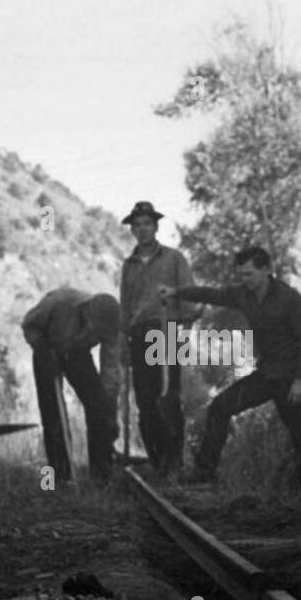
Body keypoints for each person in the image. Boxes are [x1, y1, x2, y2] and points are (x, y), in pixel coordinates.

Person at [160, 246, 301, 505]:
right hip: (265, 375)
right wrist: (177, 292)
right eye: (241, 275)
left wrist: (300, 379)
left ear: (266, 270)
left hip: (290, 378)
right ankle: (204, 473)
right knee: (220, 408)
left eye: (248, 274)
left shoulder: (289, 298)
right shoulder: (242, 294)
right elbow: (211, 294)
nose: (244, 280)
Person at [118, 201, 196, 475]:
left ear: (155, 227)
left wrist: (185, 327)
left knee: (169, 396)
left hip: (168, 329)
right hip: (140, 333)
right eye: (137, 225)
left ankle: (174, 460)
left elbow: (188, 293)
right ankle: (157, 458)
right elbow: (125, 304)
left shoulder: (174, 258)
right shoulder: (128, 265)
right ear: (133, 230)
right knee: (145, 399)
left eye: (147, 224)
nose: (142, 229)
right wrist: (123, 342)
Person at [22, 289, 121, 482]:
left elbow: (111, 366)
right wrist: (42, 349)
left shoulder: (111, 323)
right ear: (86, 312)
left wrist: (108, 405)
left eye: (99, 333)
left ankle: (101, 474)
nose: (95, 334)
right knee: (53, 415)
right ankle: (58, 476)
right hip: (46, 349)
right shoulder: (59, 301)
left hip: (78, 355)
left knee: (98, 406)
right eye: (94, 329)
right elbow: (29, 325)